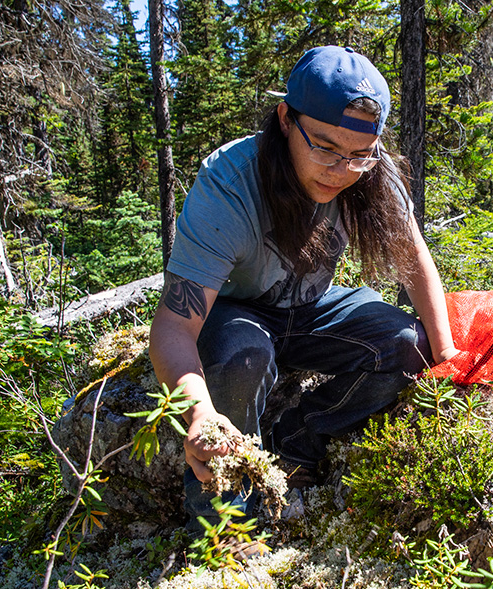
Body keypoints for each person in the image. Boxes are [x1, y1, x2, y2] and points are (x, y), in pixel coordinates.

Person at [148, 45, 458, 522]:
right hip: (236, 312)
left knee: (407, 343)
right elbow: (173, 325)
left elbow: (414, 257)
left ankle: (296, 441)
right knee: (242, 360)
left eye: (359, 154)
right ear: (286, 119)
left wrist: (445, 357)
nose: (342, 171)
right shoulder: (231, 183)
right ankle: (221, 523)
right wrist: (199, 415)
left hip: (312, 308)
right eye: (326, 148)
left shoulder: (374, 174)